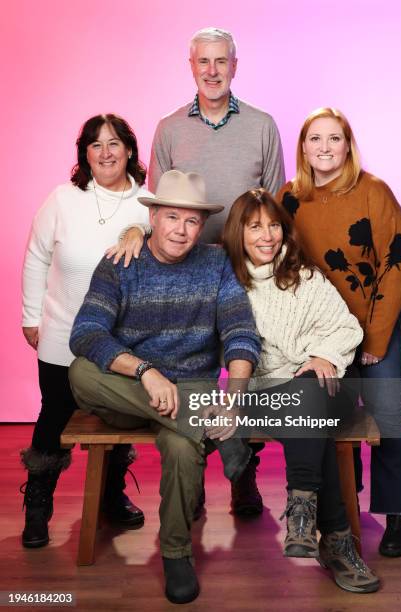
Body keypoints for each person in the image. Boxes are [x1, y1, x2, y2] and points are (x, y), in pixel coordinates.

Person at [68, 170, 261, 604]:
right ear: (152, 216)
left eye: (192, 221)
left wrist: (232, 401)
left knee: (180, 447)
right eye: (172, 217)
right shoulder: (121, 262)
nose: (181, 229)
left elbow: (240, 331)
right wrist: (145, 371)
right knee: (80, 371)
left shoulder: (215, 263)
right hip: (130, 392)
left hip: (192, 388)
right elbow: (86, 333)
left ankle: (176, 553)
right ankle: (222, 437)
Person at [147, 26, 285, 515]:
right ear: (191, 67)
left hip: (250, 273)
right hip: (188, 274)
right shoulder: (168, 129)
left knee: (250, 366)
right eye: (203, 62)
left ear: (234, 65)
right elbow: (157, 205)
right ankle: (199, 476)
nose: (212, 71)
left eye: (220, 61)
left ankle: (244, 467)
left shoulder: (263, 125)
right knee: (199, 373)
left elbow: (277, 204)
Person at [223, 188, 379, 593]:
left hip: (329, 384)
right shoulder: (227, 283)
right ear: (237, 233)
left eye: (274, 225)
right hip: (267, 394)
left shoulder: (305, 276)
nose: (267, 235)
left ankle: (302, 512)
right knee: (306, 411)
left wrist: (324, 355)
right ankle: (337, 541)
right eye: (255, 226)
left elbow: (347, 329)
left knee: (308, 395)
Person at [277, 107, 401, 557]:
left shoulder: (373, 191)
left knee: (386, 414)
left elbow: (396, 268)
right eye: (315, 139)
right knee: (336, 419)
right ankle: (344, 512)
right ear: (303, 147)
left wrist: (375, 340)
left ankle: (396, 514)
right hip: (324, 333)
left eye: (334, 138)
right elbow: (274, 256)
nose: (324, 148)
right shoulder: (290, 198)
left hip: (376, 324)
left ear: (348, 145)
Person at [21, 113, 153, 549]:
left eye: (114, 143)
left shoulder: (148, 201)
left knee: (118, 421)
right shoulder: (62, 199)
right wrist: (31, 316)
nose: (106, 152)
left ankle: (110, 497)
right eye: (96, 145)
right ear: (85, 155)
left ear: (130, 149)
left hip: (120, 340)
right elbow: (37, 256)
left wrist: (141, 226)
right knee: (53, 418)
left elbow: (169, 232)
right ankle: (38, 505)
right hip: (61, 333)